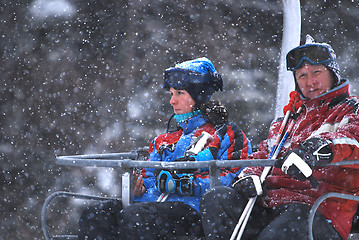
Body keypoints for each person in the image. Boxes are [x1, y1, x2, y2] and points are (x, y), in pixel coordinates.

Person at [200, 35, 359, 240]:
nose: (310, 82)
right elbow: (264, 154)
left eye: (316, 72)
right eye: (302, 76)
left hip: (318, 208)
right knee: (216, 199)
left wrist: (317, 149)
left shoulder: (351, 109)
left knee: (279, 232)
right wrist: (248, 175)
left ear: (332, 73)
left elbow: (352, 139)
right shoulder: (288, 120)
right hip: (270, 205)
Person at [78, 57, 252, 239]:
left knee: (137, 218)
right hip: (154, 208)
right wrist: (141, 189)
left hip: (195, 211)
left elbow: (234, 179)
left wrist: (188, 185)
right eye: (171, 94)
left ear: (198, 96)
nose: (172, 101)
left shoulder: (225, 134)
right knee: (96, 215)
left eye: (179, 93)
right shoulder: (163, 140)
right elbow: (150, 177)